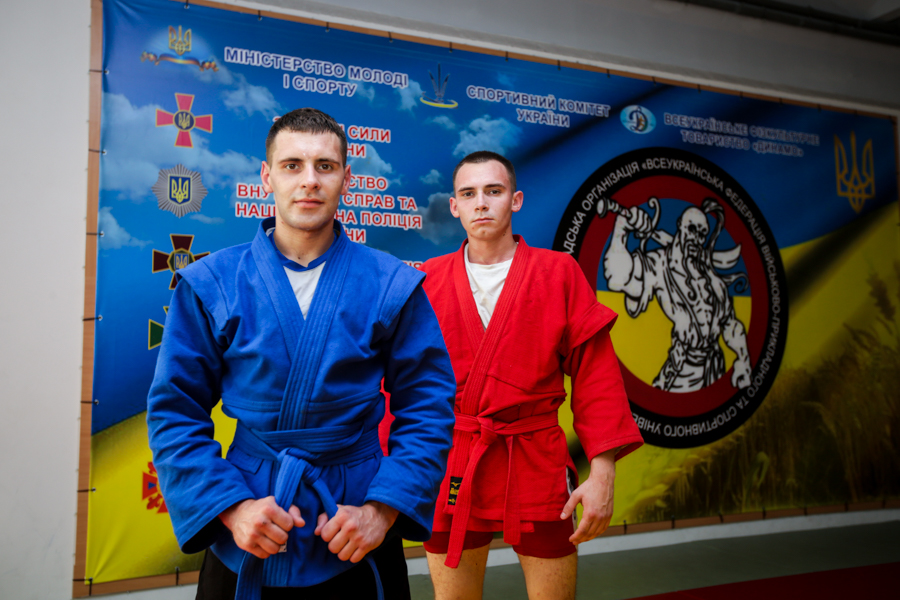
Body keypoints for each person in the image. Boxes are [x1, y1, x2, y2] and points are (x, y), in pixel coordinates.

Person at [147, 108, 456, 600]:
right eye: (292, 165)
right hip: (250, 524)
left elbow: (429, 406)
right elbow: (174, 411)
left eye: (324, 166)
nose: (309, 180)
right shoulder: (212, 283)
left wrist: (382, 511)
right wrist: (232, 509)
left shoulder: (391, 284)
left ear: (346, 179)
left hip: (353, 526)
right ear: (267, 175)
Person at [420, 151, 644, 600]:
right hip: (453, 460)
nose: (481, 203)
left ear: (515, 199)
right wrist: (395, 476)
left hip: (535, 458)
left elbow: (596, 377)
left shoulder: (559, 273)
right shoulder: (427, 278)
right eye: (469, 193)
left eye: (493, 191)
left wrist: (602, 473)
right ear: (454, 206)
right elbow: (402, 389)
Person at [603, 198, 751, 392]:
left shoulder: (712, 279)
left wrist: (743, 360)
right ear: (680, 225)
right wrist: (622, 227)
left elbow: (730, 324)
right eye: (692, 229)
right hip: (683, 371)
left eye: (702, 234)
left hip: (715, 366)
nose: (696, 238)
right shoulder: (659, 264)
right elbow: (618, 279)